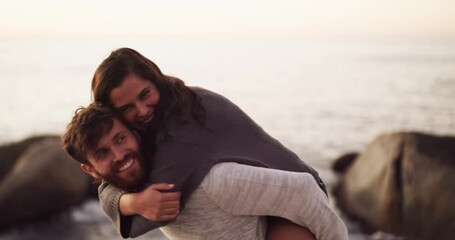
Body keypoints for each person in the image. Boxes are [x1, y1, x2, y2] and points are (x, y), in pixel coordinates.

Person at [88, 47, 348, 239]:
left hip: (292, 204)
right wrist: (128, 201)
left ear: (155, 79)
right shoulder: (157, 118)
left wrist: (130, 204)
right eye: (127, 108)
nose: (143, 110)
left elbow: (142, 219)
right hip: (261, 206)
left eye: (145, 94)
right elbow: (116, 180)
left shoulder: (181, 129)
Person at [63, 103, 347, 240]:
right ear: (91, 170)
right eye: (103, 153)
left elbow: (304, 190)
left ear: (136, 134)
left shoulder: (210, 182)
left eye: (120, 138)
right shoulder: (133, 193)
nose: (119, 154)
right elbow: (108, 194)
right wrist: (129, 202)